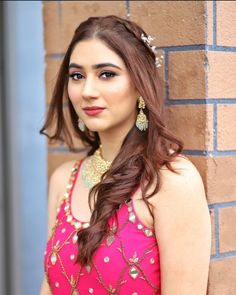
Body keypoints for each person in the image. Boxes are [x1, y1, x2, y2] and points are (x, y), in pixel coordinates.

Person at [39, 15, 211, 295]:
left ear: (139, 84)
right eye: (77, 76)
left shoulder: (170, 181)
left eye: (106, 74)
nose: (88, 91)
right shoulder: (64, 179)